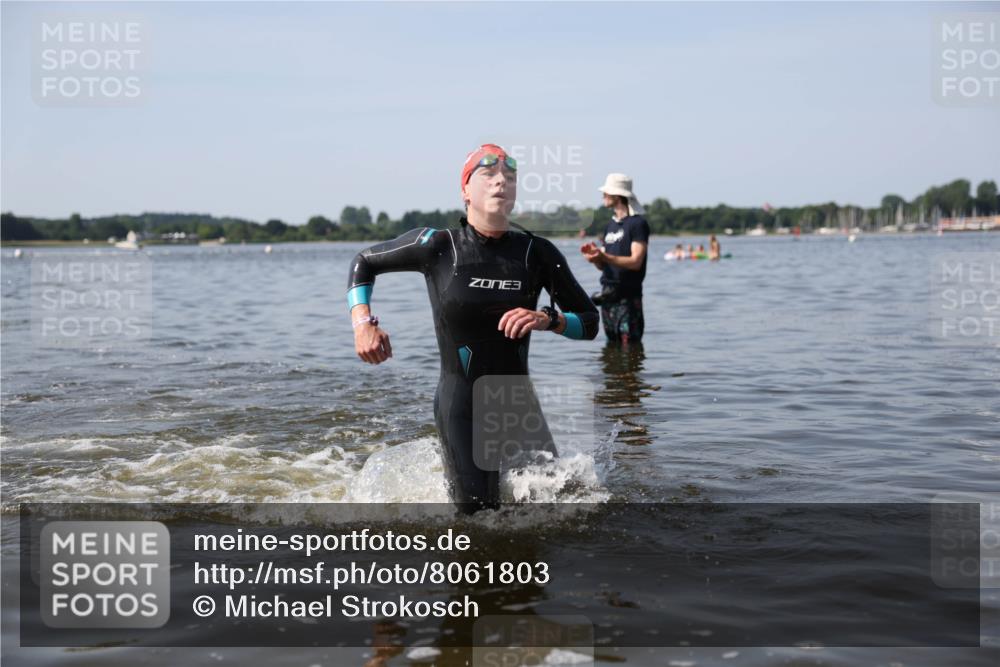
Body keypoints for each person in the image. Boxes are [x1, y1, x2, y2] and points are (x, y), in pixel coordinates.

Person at [347, 143, 599, 512]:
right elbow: (364, 262)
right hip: (461, 405)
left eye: (509, 176)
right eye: (489, 174)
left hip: (517, 404)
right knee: (477, 517)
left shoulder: (537, 253)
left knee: (560, 506)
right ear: (465, 190)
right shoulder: (438, 246)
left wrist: (549, 319)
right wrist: (362, 324)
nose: (501, 181)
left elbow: (590, 323)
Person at [580, 174, 650, 344]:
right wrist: (595, 259)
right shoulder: (610, 226)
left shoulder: (637, 224)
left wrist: (603, 255)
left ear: (617, 196)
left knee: (630, 348)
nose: (603, 196)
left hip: (628, 298)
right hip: (607, 296)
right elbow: (603, 266)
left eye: (606, 193)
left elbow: (636, 262)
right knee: (611, 346)